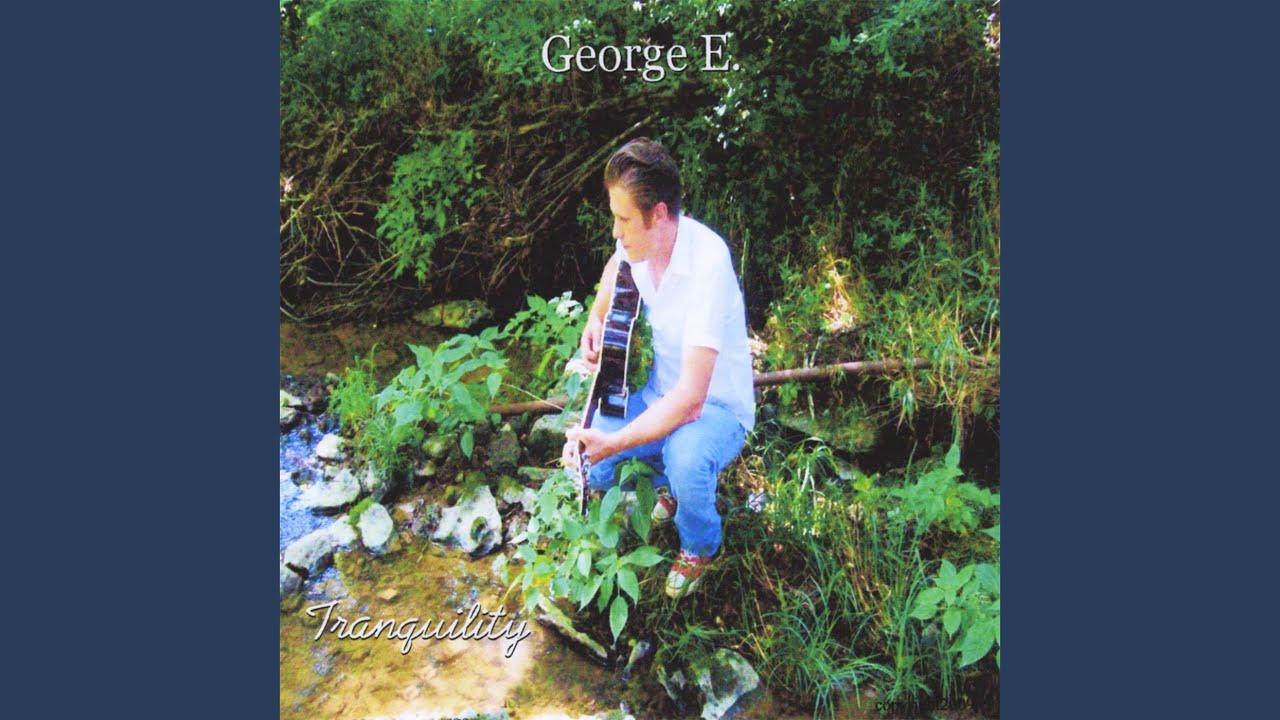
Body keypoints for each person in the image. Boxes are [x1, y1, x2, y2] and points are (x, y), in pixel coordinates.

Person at [562, 137, 755, 600]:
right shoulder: (637, 245)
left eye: (624, 219)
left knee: (685, 456)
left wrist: (615, 442)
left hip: (715, 409)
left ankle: (700, 544)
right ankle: (669, 481)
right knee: (589, 467)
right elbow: (615, 264)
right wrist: (595, 317)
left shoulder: (708, 263)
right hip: (659, 395)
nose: (616, 231)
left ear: (660, 214)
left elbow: (691, 401)